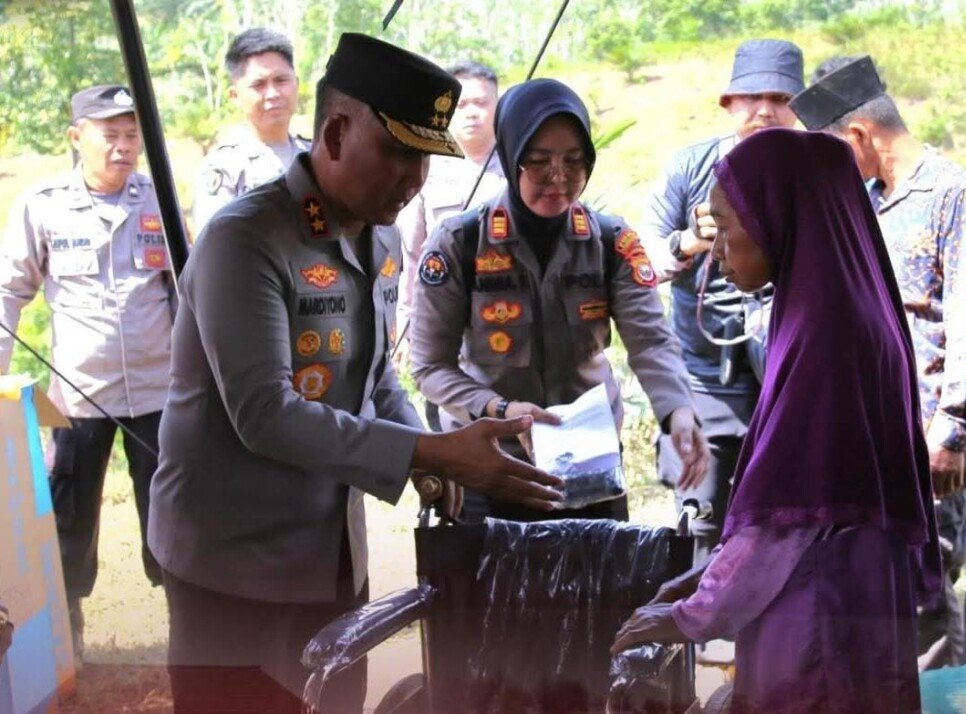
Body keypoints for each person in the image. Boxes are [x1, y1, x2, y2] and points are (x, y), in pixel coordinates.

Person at [148, 34, 563, 713]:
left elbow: (375, 381)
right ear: (336, 132)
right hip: (232, 567)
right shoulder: (245, 241)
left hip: (331, 558)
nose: (415, 180)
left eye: (425, 158)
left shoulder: (383, 236)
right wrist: (429, 450)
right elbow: (264, 412)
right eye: (399, 151)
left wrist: (431, 462)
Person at [613, 129, 939, 713]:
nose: (716, 250)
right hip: (854, 603)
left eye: (727, 227)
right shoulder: (844, 306)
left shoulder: (826, 334)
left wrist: (691, 615)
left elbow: (787, 523)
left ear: (778, 217)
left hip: (821, 621)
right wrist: (706, 576)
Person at [791, 55, 966, 668]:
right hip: (869, 434)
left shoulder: (956, 197)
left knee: (920, 590)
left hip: (925, 439)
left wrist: (954, 430)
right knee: (868, 592)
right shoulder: (875, 197)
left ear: (858, 135)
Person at [409, 78, 706, 522]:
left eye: (574, 161)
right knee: (489, 591)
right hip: (490, 462)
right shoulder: (460, 243)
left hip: (590, 461)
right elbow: (431, 368)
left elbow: (651, 343)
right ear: (511, 158)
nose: (559, 178)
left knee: (598, 588)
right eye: (539, 161)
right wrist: (503, 411)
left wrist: (677, 410)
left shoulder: (611, 241)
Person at [0, 84, 172, 663]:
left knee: (170, 512)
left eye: (132, 136)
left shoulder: (159, 198)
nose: (124, 148)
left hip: (159, 392)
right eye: (110, 135)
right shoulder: (41, 204)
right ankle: (65, 637)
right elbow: (7, 293)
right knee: (68, 516)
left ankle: (188, 626)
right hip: (76, 394)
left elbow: (191, 292)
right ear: (77, 138)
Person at [643, 38, 804, 557]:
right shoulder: (689, 169)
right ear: (727, 103)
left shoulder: (818, 172)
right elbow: (638, 265)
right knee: (700, 523)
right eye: (751, 97)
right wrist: (691, 241)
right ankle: (695, 635)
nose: (764, 110)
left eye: (780, 98)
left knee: (788, 525)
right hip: (704, 377)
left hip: (791, 375)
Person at [396, 60, 505, 352]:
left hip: (509, 313)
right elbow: (411, 252)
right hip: (445, 315)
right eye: (461, 104)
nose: (472, 112)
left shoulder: (519, 166)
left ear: (497, 104)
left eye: (481, 102)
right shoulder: (423, 168)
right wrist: (406, 320)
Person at [192, 28, 308, 231]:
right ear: (234, 96)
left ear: (296, 84)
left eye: (281, 81)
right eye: (259, 85)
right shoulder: (224, 168)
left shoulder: (316, 156)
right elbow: (216, 248)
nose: (273, 93)